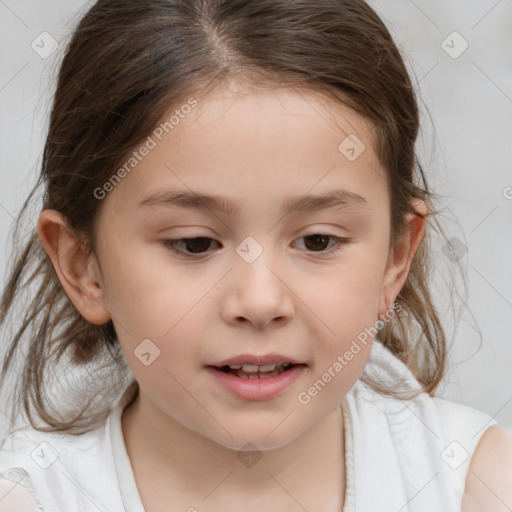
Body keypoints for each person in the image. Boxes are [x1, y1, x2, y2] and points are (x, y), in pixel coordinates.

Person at [0, 1, 511, 511]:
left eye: (318, 241)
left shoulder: (478, 488)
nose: (261, 301)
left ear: (395, 260)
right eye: (195, 243)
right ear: (82, 267)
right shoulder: (31, 496)